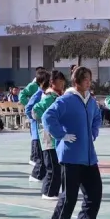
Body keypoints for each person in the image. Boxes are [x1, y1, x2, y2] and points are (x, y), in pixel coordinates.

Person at [42, 66, 103, 219]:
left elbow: (97, 117)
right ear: (76, 82)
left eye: (90, 79)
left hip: (89, 156)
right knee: (70, 194)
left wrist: (94, 131)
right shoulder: (66, 100)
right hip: (71, 155)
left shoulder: (90, 101)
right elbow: (47, 116)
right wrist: (61, 134)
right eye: (86, 80)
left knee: (95, 191)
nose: (89, 83)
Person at [33, 70, 66, 200]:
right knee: (52, 167)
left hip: (56, 137)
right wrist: (48, 123)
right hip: (48, 137)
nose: (62, 84)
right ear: (52, 82)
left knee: (57, 166)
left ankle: (52, 191)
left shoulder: (58, 97)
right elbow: (35, 111)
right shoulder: (48, 97)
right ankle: (48, 192)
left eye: (63, 82)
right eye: (60, 81)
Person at [25, 72, 51, 185]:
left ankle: (41, 174)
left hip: (46, 131)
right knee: (40, 157)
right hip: (38, 131)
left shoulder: (48, 94)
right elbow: (28, 109)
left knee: (45, 156)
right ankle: (36, 175)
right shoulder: (38, 94)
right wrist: (36, 118)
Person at [20, 70, 46, 165]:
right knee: (36, 140)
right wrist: (33, 116)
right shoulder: (35, 90)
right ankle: (34, 158)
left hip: (43, 125)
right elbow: (23, 98)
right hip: (36, 122)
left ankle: (36, 158)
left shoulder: (45, 93)